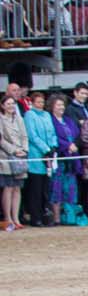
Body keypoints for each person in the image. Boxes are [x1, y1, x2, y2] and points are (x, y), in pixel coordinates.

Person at [0, 93, 26, 232]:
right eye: (8, 103)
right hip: (6, 157)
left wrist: (24, 150)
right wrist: (13, 151)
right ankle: (8, 218)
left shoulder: (19, 119)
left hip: (20, 157)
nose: (11, 106)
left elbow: (24, 136)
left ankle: (16, 218)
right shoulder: (0, 119)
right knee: (8, 187)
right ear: (3, 105)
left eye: (12, 103)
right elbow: (1, 139)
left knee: (17, 188)